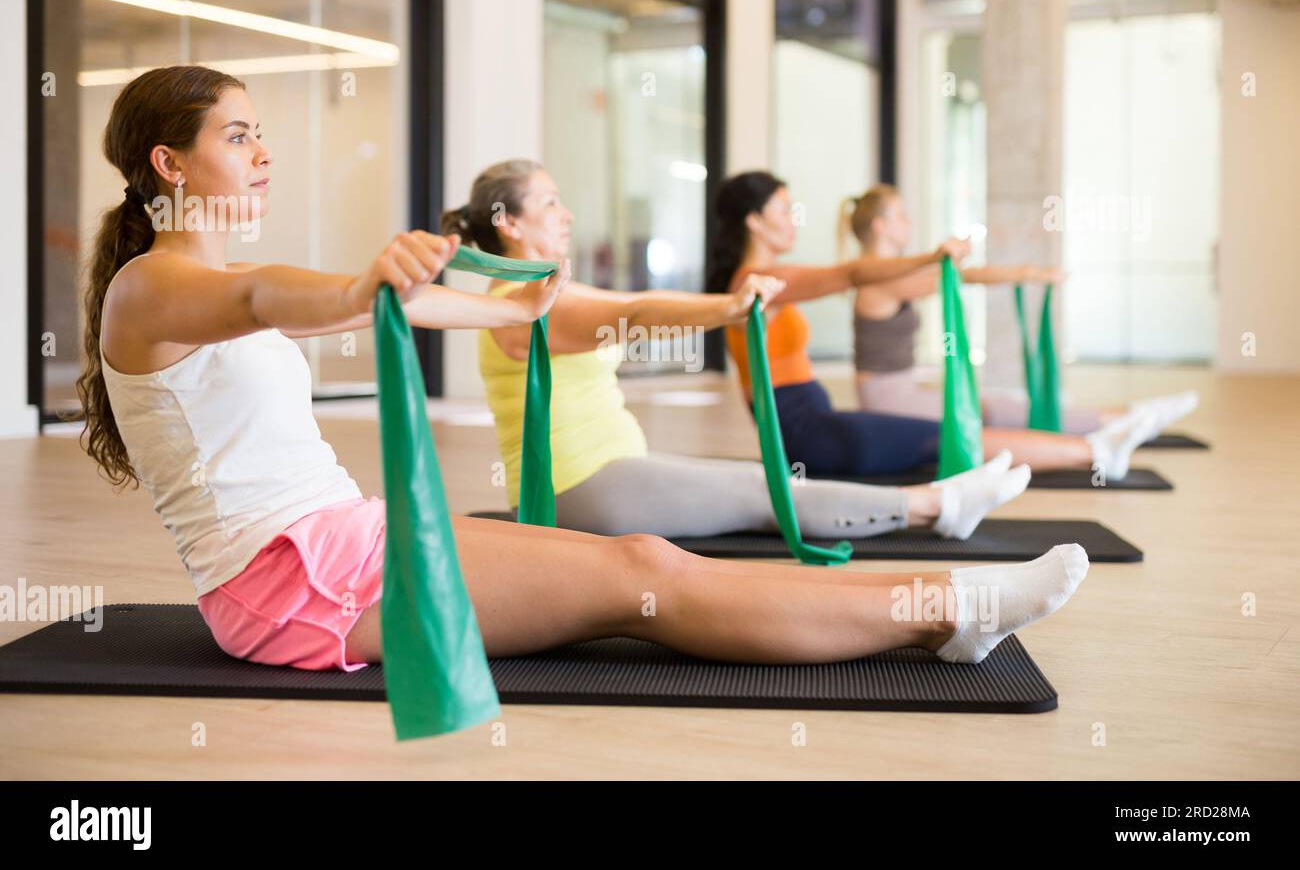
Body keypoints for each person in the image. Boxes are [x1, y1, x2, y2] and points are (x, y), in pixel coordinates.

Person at [78, 65, 1087, 678]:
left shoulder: (225, 274)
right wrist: (363, 279)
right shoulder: (148, 287)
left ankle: (947, 603)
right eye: (237, 135)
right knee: (643, 574)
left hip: (340, 540)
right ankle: (955, 603)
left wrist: (487, 285)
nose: (262, 153)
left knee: (648, 565)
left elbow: (438, 306)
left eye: (260, 133)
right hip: (286, 582)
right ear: (171, 164)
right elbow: (272, 302)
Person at [457, 159, 1032, 545]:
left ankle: (939, 500)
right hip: (578, 487)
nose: (568, 214)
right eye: (551, 202)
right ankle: (936, 506)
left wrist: (719, 305)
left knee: (755, 481)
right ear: (507, 222)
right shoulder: (519, 305)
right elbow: (634, 316)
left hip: (609, 471)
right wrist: (727, 308)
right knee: (762, 490)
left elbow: (637, 301)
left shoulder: (545, 290)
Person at [709, 171, 1165, 482]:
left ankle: (1101, 440)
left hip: (817, 422)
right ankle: (1097, 451)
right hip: (804, 434)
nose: (793, 221)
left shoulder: (767, 281)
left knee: (961, 426)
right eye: (785, 210)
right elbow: (852, 273)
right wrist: (933, 256)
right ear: (754, 221)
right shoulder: (760, 281)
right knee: (953, 434)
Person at [844, 184, 1198, 435]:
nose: (908, 222)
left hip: (897, 390)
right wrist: (1028, 273)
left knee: (1001, 400)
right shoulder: (880, 277)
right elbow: (962, 278)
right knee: (1000, 411)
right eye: (900, 215)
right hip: (887, 399)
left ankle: (1118, 415)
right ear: (880, 225)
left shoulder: (886, 271)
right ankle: (1124, 417)